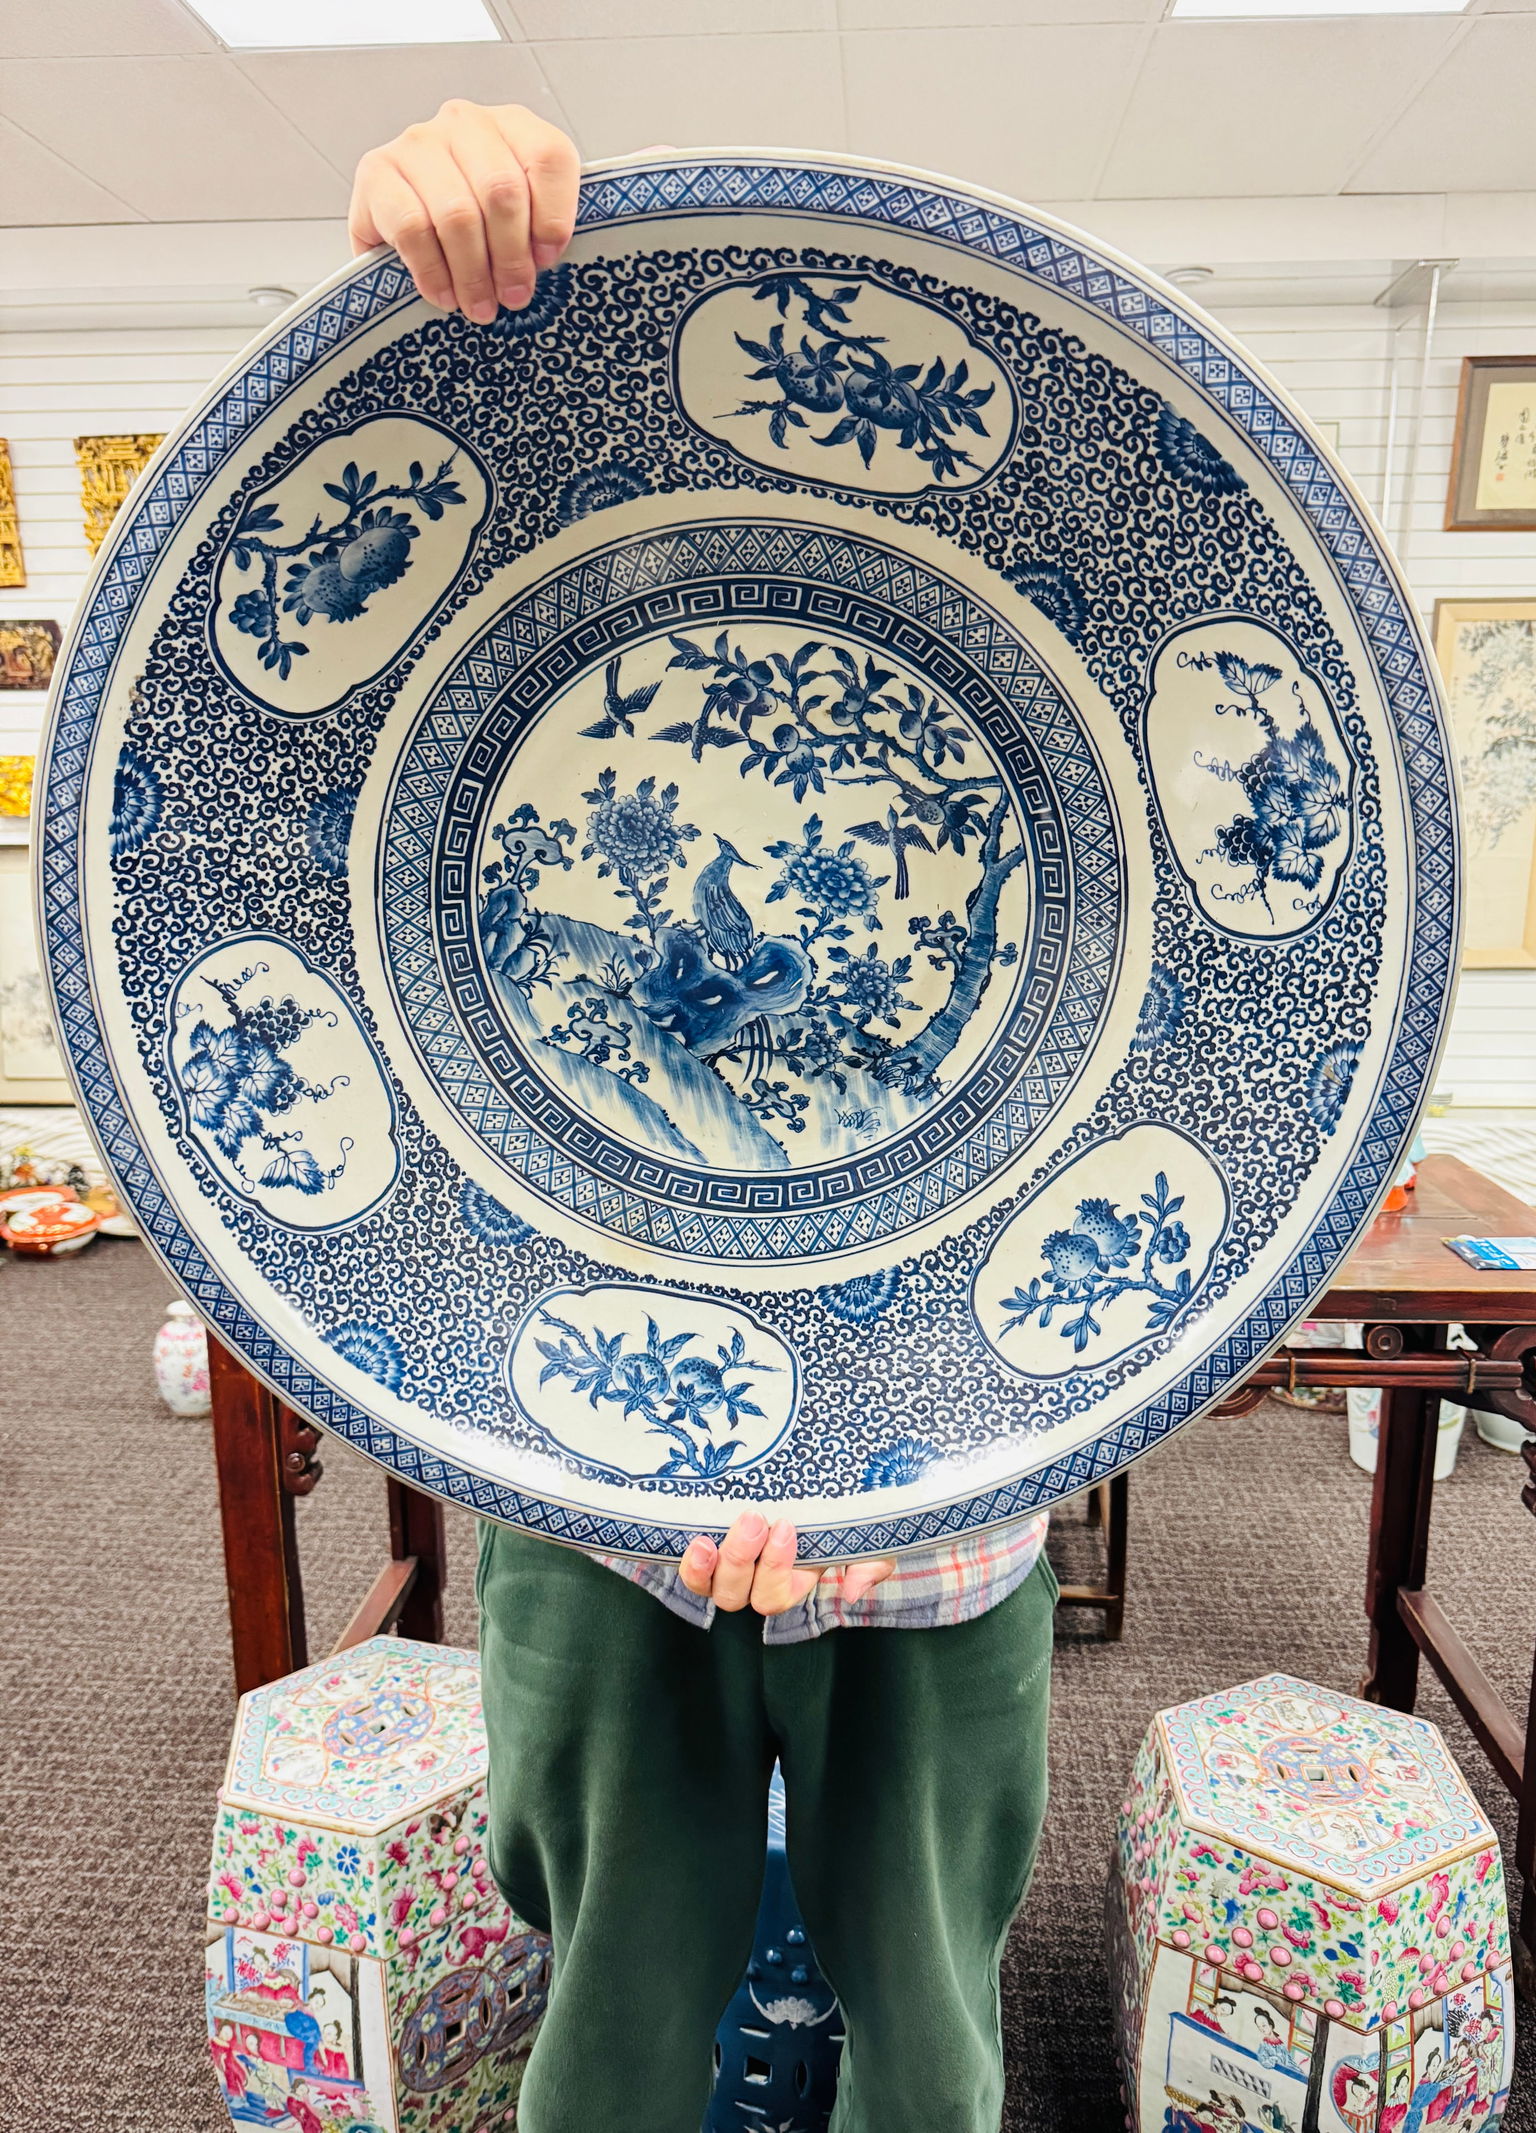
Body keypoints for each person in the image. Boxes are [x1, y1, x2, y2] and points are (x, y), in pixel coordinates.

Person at [348, 101, 1057, 2133]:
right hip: (588, 1484)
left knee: (926, 2044)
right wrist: (444, 188)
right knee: (607, 2032)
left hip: (944, 1497)